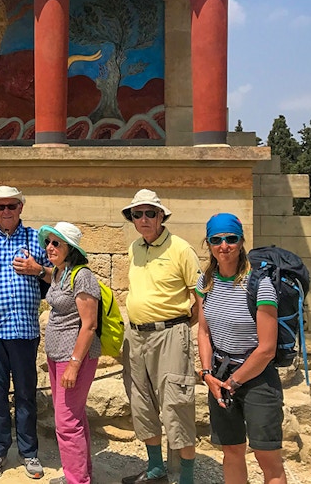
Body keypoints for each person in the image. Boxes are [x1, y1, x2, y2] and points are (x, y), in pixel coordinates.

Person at [0, 186, 51, 480]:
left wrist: (37, 269)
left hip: (25, 331)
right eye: (0, 207)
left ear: (20, 208)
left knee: (27, 395)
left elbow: (58, 275)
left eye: (11, 206)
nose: (6, 212)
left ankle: (29, 453)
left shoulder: (36, 239)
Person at [196, 213, 287, 484]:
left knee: (266, 456)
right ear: (209, 243)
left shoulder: (260, 285)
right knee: (231, 450)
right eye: (217, 239)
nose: (224, 246)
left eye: (231, 239)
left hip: (256, 378)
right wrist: (207, 374)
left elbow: (267, 349)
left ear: (241, 241)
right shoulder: (205, 282)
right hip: (220, 376)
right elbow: (203, 330)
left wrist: (233, 382)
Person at [120, 189, 202, 484]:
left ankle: (186, 478)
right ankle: (156, 468)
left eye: (150, 213)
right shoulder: (134, 248)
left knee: (177, 405)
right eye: (137, 214)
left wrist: (180, 325)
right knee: (141, 403)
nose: (143, 219)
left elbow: (200, 297)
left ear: (161, 216)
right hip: (137, 335)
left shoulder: (181, 249)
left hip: (169, 334)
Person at [38, 222, 101, 484]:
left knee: (65, 423)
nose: (49, 247)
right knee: (74, 417)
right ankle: (81, 473)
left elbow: (89, 325)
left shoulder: (82, 276)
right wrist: (38, 269)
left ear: (70, 249)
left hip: (74, 358)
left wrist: (74, 364)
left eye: (56, 243)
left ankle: (77, 480)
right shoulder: (59, 272)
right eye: (48, 242)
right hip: (58, 356)